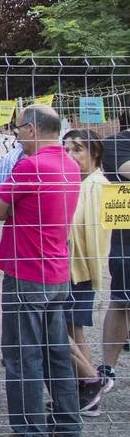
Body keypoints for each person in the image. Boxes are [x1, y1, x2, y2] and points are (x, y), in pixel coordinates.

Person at [0, 105, 82, 437]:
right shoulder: (70, 165)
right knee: (56, 350)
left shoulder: (31, 166)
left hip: (27, 270)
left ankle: (29, 434)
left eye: (18, 129)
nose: (16, 136)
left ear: (30, 129)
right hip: (57, 271)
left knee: (22, 354)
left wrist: (11, 206)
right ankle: (69, 427)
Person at [61, 128, 111, 414]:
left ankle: (92, 381)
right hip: (75, 269)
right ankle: (88, 393)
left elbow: (83, 232)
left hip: (76, 270)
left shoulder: (94, 185)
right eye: (66, 149)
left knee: (64, 329)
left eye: (78, 149)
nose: (71, 155)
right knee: (73, 329)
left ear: (95, 153)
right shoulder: (81, 182)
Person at [99, 119, 130, 391]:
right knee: (122, 302)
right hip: (126, 243)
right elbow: (126, 170)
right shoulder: (117, 143)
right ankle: (107, 370)